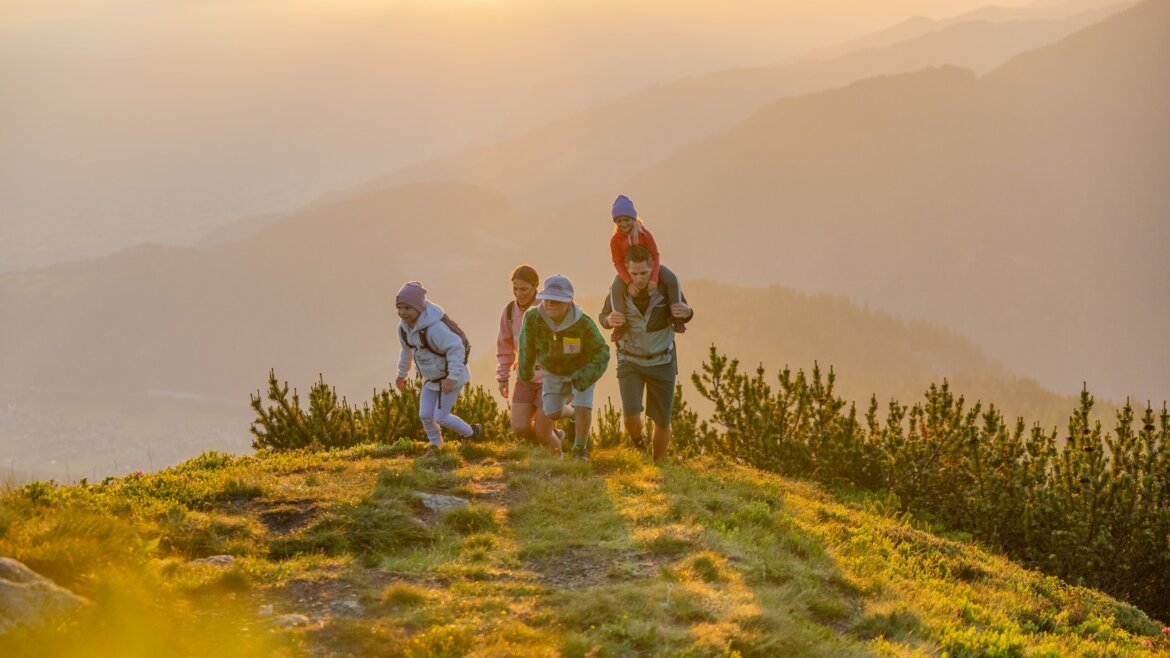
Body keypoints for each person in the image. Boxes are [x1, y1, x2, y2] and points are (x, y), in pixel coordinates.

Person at [599, 246, 693, 461]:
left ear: (653, 268)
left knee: (662, 419)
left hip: (663, 360)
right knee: (631, 413)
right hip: (629, 361)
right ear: (627, 271)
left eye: (643, 273)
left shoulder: (666, 288)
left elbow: (684, 310)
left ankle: (658, 463)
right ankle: (639, 446)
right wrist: (607, 321)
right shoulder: (620, 290)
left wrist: (688, 313)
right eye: (634, 274)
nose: (639, 279)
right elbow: (604, 315)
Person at [517, 274, 610, 461]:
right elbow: (526, 345)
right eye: (547, 300)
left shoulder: (583, 323)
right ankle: (572, 411)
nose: (550, 304)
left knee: (584, 405)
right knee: (552, 412)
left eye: (557, 301)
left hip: (581, 370)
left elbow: (602, 352)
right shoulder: (533, 317)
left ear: (569, 301)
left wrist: (583, 378)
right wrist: (525, 373)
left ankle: (580, 449)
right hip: (552, 373)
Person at [394, 281, 483, 455]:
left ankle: (472, 433)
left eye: (407, 308)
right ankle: (436, 446)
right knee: (425, 415)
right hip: (431, 378)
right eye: (399, 307)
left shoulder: (435, 328)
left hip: (451, 378)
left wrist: (452, 377)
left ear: (419, 308)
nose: (402, 312)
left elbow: (456, 348)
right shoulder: (404, 329)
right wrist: (401, 373)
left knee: (441, 417)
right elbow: (406, 351)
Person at [496, 265, 564, 453]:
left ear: (536, 286)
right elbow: (505, 347)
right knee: (519, 427)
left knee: (543, 432)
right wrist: (502, 377)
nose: (519, 293)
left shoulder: (547, 308)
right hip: (525, 377)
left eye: (524, 289)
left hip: (550, 378)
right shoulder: (509, 312)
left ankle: (562, 462)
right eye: (515, 288)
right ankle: (551, 439)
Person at [608, 194, 685, 341]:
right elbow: (617, 262)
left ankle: (677, 316)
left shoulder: (644, 234)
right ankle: (619, 325)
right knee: (616, 288)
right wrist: (628, 282)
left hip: (650, 268)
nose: (623, 224)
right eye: (619, 221)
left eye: (626, 220)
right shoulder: (615, 240)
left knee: (671, 279)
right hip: (629, 272)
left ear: (633, 218)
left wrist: (654, 278)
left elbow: (655, 255)